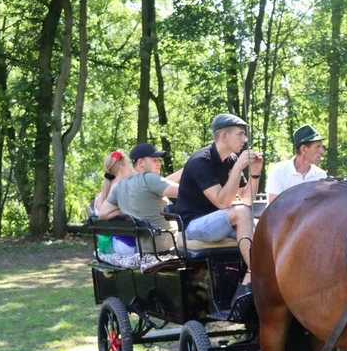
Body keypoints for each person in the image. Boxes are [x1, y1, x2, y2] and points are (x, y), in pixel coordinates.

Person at [175, 113, 263, 301]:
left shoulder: (230, 159)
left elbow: (246, 198)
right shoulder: (201, 161)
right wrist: (238, 168)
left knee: (264, 224)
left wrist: (255, 174)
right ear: (224, 135)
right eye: (240, 134)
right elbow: (222, 202)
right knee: (241, 213)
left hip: (218, 221)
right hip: (193, 225)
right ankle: (254, 274)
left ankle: (259, 276)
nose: (245, 140)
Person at [98, 142, 182, 252]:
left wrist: (123, 210)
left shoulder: (121, 187)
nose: (159, 163)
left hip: (144, 248)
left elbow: (102, 213)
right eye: (154, 159)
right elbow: (185, 191)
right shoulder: (149, 179)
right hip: (169, 245)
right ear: (141, 162)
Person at [265, 124, 327, 203]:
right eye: (317, 147)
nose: (322, 151)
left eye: (322, 147)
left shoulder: (320, 176)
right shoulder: (279, 171)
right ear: (304, 149)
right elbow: (273, 208)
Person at [92, 150, 135, 254]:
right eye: (129, 164)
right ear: (121, 168)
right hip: (124, 245)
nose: (132, 169)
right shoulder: (120, 189)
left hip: (105, 245)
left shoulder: (102, 193)